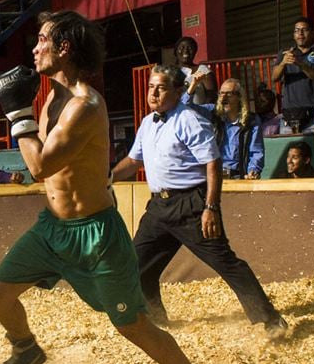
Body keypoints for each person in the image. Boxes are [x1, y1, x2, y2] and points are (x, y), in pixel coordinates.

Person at [0, 10, 212, 364]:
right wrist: (23, 112)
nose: (34, 49)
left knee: (131, 325)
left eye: (41, 41)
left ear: (64, 48)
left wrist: (17, 114)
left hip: (96, 236)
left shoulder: (85, 105)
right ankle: (27, 349)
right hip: (52, 228)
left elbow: (39, 167)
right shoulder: (53, 95)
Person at [111, 64, 289, 338]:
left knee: (226, 263)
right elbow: (134, 161)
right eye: (150, 87)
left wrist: (211, 207)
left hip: (191, 206)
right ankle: (157, 321)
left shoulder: (190, 119)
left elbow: (213, 163)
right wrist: (107, 177)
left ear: (178, 91)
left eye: (161, 87)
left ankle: (271, 320)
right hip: (159, 207)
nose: (153, 93)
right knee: (137, 266)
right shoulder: (147, 124)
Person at [271, 16, 314, 134]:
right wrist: (283, 63)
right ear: (293, 35)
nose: (300, 33)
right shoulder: (285, 53)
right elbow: (274, 77)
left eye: (305, 30)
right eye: (297, 30)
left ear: (313, 33)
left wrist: (300, 64)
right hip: (290, 115)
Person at [210, 78, 264, 180]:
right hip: (215, 175)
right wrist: (192, 87)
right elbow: (187, 107)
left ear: (239, 97)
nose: (223, 98)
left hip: (238, 175)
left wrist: (253, 171)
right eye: (221, 94)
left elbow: (256, 151)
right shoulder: (213, 115)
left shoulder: (251, 120)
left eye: (228, 94)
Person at [172, 36, 215, 105]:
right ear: (176, 51)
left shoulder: (203, 70)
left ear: (195, 52)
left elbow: (211, 98)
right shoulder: (170, 72)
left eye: (190, 48)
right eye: (182, 47)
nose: (186, 50)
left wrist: (201, 112)